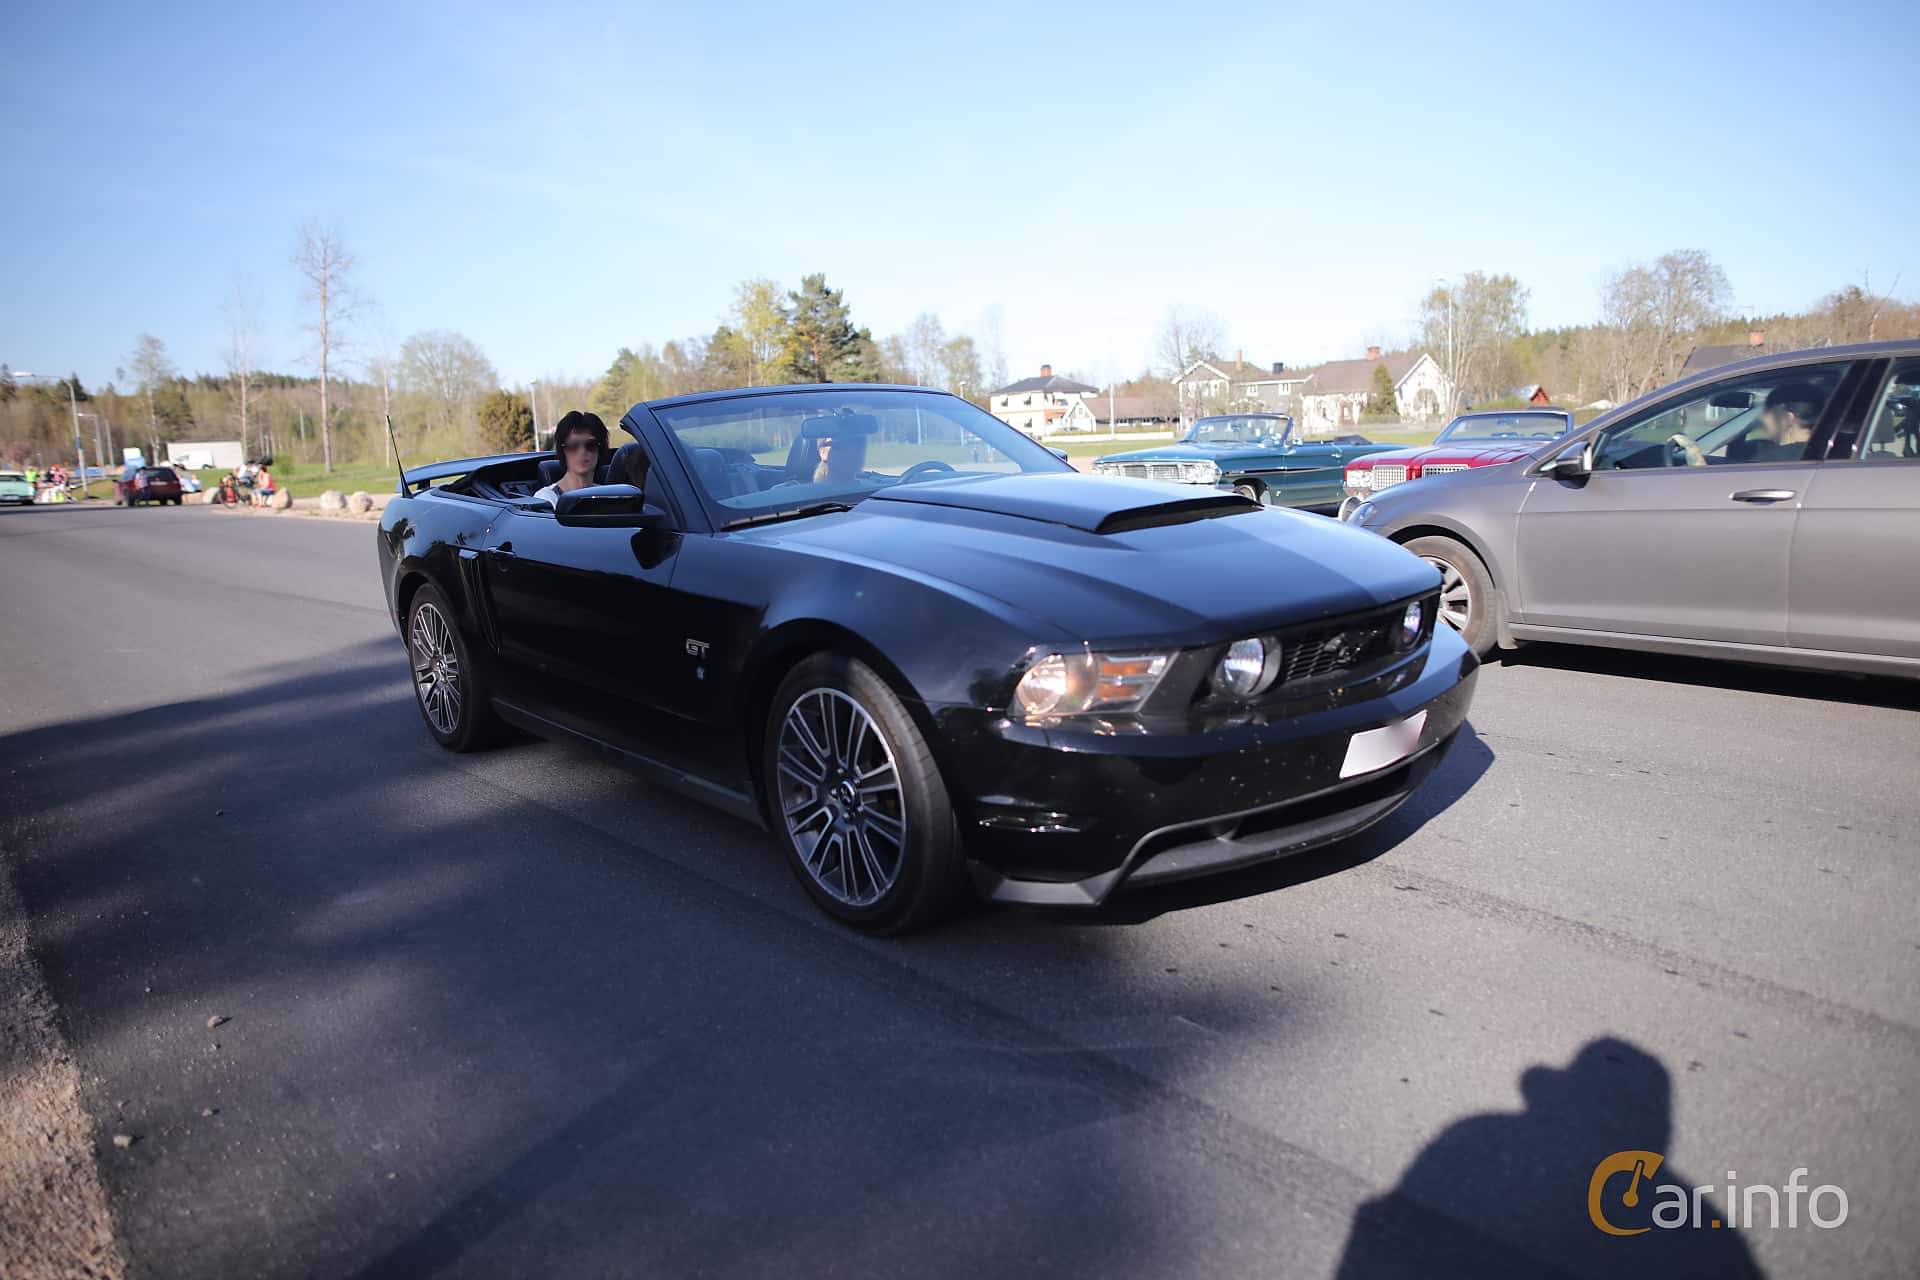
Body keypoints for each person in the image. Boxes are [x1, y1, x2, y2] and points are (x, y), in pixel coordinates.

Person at [535, 410, 610, 507]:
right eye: (573, 445)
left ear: (600, 449)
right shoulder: (547, 498)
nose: (582, 451)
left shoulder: (608, 496)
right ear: (562, 450)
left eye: (590, 445)